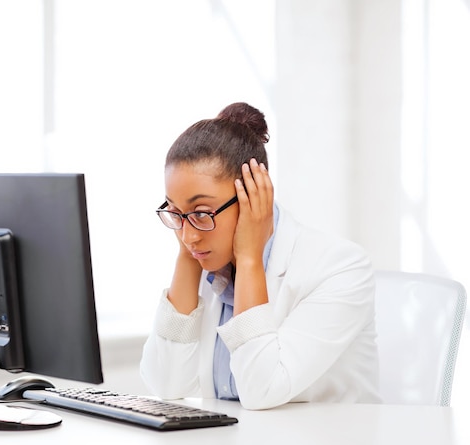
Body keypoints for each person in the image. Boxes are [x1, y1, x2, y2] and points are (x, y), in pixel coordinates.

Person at [140, 102, 380, 410]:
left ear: (252, 197)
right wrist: (187, 254)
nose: (188, 235)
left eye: (201, 212)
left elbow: (261, 390)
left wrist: (250, 258)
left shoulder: (340, 268)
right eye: (175, 212)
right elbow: (166, 385)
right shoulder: (204, 254)